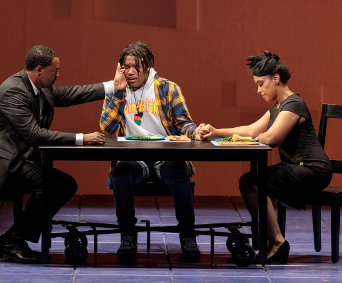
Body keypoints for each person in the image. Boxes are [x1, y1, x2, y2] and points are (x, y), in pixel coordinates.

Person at [0, 45, 113, 263]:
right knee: (55, 184)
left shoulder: (39, 87)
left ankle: (13, 239)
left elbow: (72, 93)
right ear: (40, 69)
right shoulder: (13, 91)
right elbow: (34, 135)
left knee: (63, 184)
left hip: (16, 160)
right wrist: (82, 138)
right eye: (55, 70)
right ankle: (13, 241)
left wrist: (112, 86)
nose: (58, 75)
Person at [197, 51, 332, 264]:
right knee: (250, 181)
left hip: (313, 170)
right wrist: (216, 131)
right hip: (297, 168)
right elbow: (251, 130)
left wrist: (245, 139)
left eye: (261, 84)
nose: (259, 90)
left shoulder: (294, 103)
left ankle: (277, 242)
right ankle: (272, 241)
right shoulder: (277, 107)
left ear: (275, 78)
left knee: (252, 181)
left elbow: (272, 139)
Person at [100, 42, 202, 259]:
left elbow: (184, 123)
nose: (130, 72)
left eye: (136, 66)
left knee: (179, 170)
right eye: (125, 67)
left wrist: (195, 132)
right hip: (134, 158)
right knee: (120, 172)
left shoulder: (168, 88)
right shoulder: (116, 91)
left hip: (165, 156)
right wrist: (118, 93)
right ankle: (127, 235)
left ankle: (187, 236)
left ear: (148, 67)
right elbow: (106, 128)